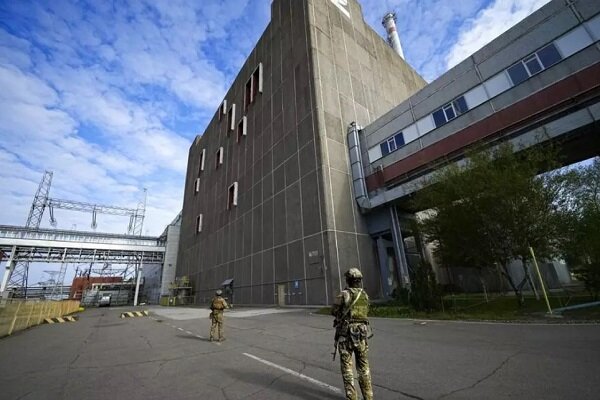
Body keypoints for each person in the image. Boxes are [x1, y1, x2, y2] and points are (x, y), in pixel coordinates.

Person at [331, 268, 373, 400]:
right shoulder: (365, 295)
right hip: (362, 335)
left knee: (347, 368)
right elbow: (366, 311)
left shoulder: (344, 294)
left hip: (346, 335)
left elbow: (333, 311)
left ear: (348, 280)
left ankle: (352, 397)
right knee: (364, 367)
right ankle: (368, 396)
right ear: (359, 281)